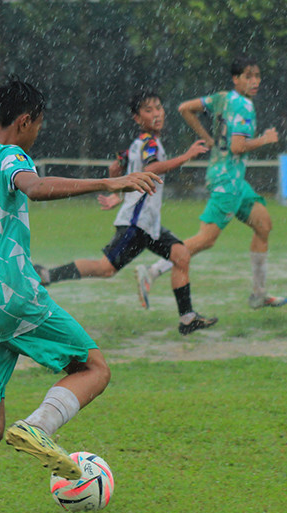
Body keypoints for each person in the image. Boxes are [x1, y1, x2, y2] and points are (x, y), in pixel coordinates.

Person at [0, 77, 161, 513]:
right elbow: (34, 186)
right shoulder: (9, 156)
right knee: (93, 368)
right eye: (38, 126)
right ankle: (40, 426)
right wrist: (110, 181)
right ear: (25, 121)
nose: (36, 135)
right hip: (10, 293)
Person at [34, 90, 217, 335]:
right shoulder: (149, 143)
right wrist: (186, 156)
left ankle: (188, 318)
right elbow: (153, 168)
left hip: (148, 224)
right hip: (136, 223)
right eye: (148, 110)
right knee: (105, 268)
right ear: (137, 118)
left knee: (181, 255)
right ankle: (46, 275)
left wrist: (118, 195)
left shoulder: (138, 144)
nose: (157, 114)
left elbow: (115, 166)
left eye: (159, 108)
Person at [139, 56, 287, 310]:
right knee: (205, 239)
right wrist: (264, 140)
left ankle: (259, 294)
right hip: (227, 181)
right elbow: (238, 146)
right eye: (248, 76)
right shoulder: (243, 105)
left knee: (263, 224)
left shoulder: (222, 98)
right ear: (236, 79)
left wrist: (208, 138)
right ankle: (152, 271)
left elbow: (184, 108)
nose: (254, 81)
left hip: (233, 180)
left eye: (257, 76)